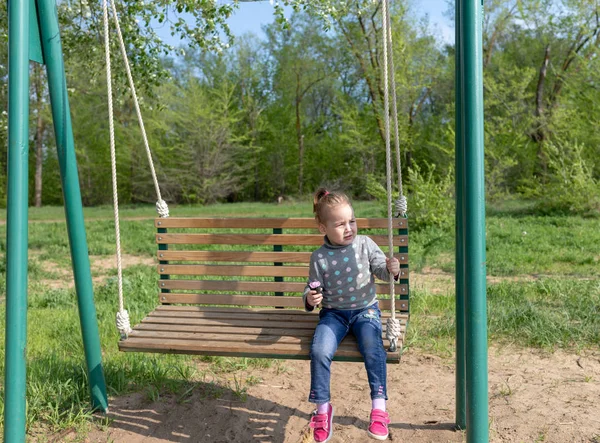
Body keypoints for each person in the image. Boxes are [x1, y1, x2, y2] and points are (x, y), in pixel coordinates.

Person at [304, 188, 400, 442]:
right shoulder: (319, 257)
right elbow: (313, 287)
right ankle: (323, 409)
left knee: (372, 346)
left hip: (365, 311)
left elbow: (380, 269)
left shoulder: (365, 244)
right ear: (322, 228)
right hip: (333, 314)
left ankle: (379, 408)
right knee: (319, 350)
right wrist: (310, 298)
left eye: (352, 221)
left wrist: (392, 269)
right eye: (340, 224)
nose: (349, 228)